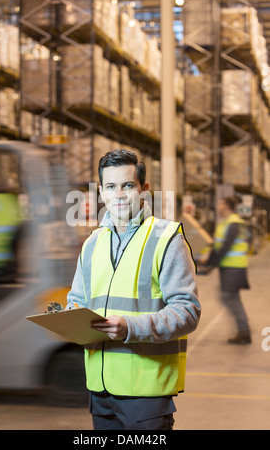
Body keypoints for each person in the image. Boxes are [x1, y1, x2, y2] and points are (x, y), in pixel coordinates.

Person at [67, 149, 201, 430]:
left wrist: (130, 327)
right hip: (100, 390)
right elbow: (77, 300)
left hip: (146, 392)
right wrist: (69, 317)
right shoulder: (92, 244)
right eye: (111, 187)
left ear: (144, 190)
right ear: (101, 192)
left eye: (128, 185)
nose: (119, 195)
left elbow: (187, 311)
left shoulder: (167, 238)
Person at [204, 196, 251, 344]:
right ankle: (244, 331)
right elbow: (218, 245)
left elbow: (225, 247)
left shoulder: (234, 223)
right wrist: (209, 259)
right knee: (233, 298)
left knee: (228, 297)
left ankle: (244, 331)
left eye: (221, 203)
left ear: (227, 206)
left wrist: (211, 262)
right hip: (230, 267)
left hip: (234, 267)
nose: (218, 206)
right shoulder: (228, 223)